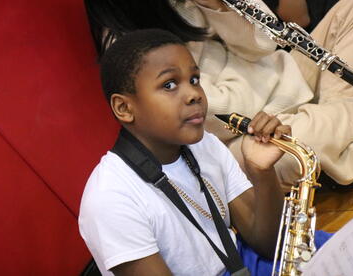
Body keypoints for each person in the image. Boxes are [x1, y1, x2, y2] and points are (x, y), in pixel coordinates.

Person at [78, 28, 331, 276]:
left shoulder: (204, 143)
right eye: (169, 85)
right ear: (124, 108)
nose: (193, 95)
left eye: (195, 80)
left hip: (241, 259)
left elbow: (271, 245)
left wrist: (261, 172)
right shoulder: (109, 198)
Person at [84, 0, 353, 191]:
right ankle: (352, 114)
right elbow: (212, 115)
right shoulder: (131, 49)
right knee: (283, 155)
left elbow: (263, 45)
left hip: (286, 82)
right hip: (244, 136)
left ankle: (344, 124)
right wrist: (263, 81)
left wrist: (217, 5)